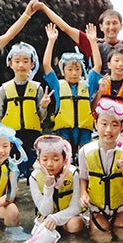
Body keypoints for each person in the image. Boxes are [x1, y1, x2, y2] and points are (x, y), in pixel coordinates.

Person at [78, 98, 123, 243]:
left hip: (121, 206)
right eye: (104, 124)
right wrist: (83, 194)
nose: (109, 130)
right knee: (101, 240)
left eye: (114, 124)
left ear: (122, 127)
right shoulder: (85, 151)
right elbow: (83, 177)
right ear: (96, 124)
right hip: (97, 207)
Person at [42, 23, 102, 158]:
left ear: (82, 71)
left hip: (84, 134)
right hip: (64, 133)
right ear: (63, 72)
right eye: (69, 69)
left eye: (77, 69)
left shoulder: (87, 86)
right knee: (64, 165)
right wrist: (51, 41)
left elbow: (98, 65)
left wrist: (92, 42)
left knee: (85, 165)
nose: (74, 73)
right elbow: (46, 65)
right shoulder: (57, 86)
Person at [0, 42, 52, 178]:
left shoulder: (38, 88)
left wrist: (44, 105)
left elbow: (42, 117)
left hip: (32, 135)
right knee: (14, 172)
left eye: (26, 61)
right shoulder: (4, 89)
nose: (21, 65)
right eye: (17, 61)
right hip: (12, 137)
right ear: (10, 64)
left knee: (34, 172)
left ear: (32, 64)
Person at [29, 134, 85, 234]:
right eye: (45, 159)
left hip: (69, 217)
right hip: (46, 217)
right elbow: (45, 212)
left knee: (75, 225)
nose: (50, 164)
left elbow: (76, 207)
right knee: (43, 230)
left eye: (55, 159)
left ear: (65, 160)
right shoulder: (34, 177)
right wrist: (49, 187)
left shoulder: (74, 174)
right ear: (39, 160)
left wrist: (56, 218)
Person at [93, 45, 123, 112]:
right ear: (109, 64)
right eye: (116, 60)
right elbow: (91, 109)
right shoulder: (100, 83)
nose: (120, 64)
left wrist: (121, 120)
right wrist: (100, 92)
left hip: (121, 121)